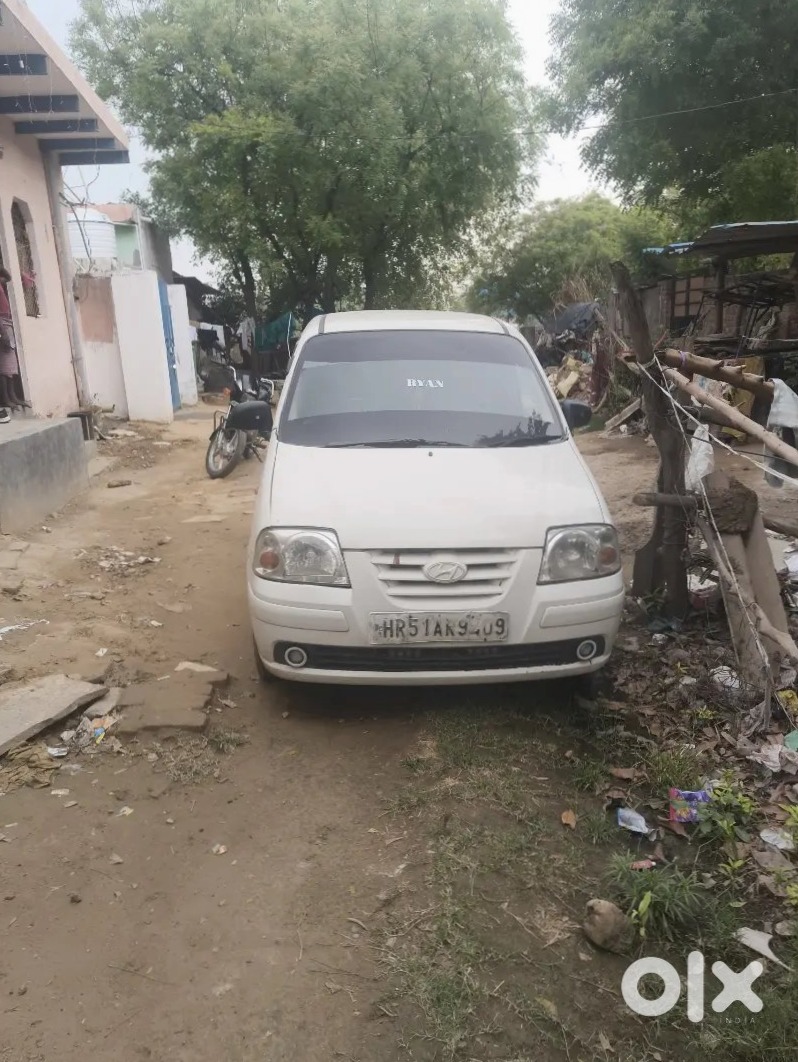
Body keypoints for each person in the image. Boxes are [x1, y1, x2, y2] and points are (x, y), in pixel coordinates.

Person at [0, 267, 28, 411]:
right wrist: (3, 332)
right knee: (4, 367)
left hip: (7, 323)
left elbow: (8, 277)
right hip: (2, 325)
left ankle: (13, 396)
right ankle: (6, 398)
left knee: (11, 365)